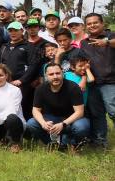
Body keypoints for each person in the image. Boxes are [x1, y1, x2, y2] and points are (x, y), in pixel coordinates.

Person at [26, 63, 90, 149]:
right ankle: (53, 144)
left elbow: (79, 112)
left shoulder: (73, 87)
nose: (55, 76)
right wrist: (43, 123)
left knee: (81, 127)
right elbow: (35, 110)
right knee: (31, 123)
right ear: (46, 76)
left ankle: (73, 145)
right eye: (51, 74)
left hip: (72, 120)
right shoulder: (40, 89)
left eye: (58, 73)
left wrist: (63, 124)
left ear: (63, 73)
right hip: (52, 120)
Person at [80, 13, 115, 148]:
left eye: (95, 23)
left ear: (102, 23)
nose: (92, 25)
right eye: (89, 24)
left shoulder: (111, 35)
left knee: (113, 111)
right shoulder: (84, 42)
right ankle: (100, 142)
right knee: (97, 113)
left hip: (110, 82)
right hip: (92, 83)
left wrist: (106, 42)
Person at [0, 22, 40, 121]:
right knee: (5, 106)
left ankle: (25, 131)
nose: (13, 33)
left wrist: (22, 80)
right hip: (5, 83)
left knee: (21, 107)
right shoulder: (4, 47)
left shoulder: (29, 46)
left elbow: (33, 65)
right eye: (10, 30)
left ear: (22, 31)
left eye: (16, 30)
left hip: (22, 85)